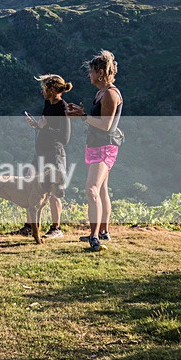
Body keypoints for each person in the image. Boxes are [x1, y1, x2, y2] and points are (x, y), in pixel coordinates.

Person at [66, 50, 124, 252]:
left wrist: (83, 117)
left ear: (100, 73)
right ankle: (103, 231)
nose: (88, 75)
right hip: (95, 146)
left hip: (104, 148)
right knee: (101, 190)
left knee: (91, 189)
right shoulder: (101, 93)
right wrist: (81, 113)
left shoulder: (110, 94)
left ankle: (94, 237)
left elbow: (106, 126)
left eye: (91, 71)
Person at [19, 74, 72, 238]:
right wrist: (36, 125)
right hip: (41, 153)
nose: (42, 91)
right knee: (30, 184)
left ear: (51, 89)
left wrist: (43, 127)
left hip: (54, 154)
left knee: (54, 191)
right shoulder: (48, 103)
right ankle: (30, 226)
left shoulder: (62, 107)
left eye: (44, 88)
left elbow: (65, 138)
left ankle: (56, 228)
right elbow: (44, 125)